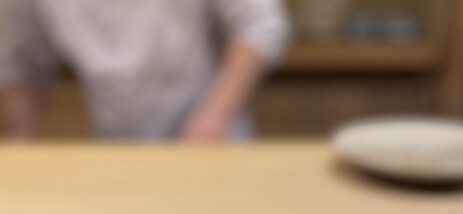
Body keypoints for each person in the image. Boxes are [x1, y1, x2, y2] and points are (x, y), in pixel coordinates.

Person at [0, 0, 289, 141]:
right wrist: (18, 134)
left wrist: (215, 116)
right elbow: (23, 57)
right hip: (118, 149)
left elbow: (259, 24)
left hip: (210, 139)